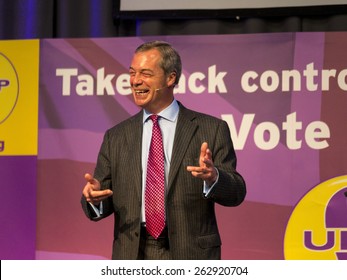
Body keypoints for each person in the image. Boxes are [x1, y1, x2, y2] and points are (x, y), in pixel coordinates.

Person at [81, 41, 246, 260]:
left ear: (170, 78)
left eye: (145, 73)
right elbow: (102, 194)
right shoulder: (116, 137)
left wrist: (214, 177)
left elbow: (236, 192)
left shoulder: (211, 128)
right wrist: (94, 199)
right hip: (132, 254)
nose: (135, 81)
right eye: (132, 73)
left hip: (191, 253)